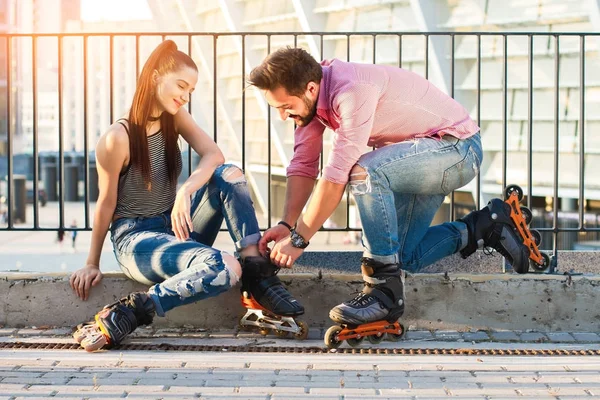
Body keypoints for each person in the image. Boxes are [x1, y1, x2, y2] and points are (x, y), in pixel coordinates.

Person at [249, 47, 530, 327]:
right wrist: (287, 225)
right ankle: (486, 226)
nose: (283, 117)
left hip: (456, 150)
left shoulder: (351, 90)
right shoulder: (312, 99)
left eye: (286, 107)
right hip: (417, 156)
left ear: (310, 89)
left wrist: (299, 240)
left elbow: (335, 177)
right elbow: (303, 165)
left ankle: (382, 292)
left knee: (364, 172)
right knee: (402, 255)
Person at [69, 40, 303, 349]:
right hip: (136, 239)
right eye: (181, 85)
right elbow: (106, 204)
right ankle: (134, 309)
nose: (185, 95)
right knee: (223, 266)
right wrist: (91, 261)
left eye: (190, 90)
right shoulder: (117, 138)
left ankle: (256, 273)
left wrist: (187, 189)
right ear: (155, 77)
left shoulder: (174, 118)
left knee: (229, 173)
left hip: (174, 227)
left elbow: (214, 155)